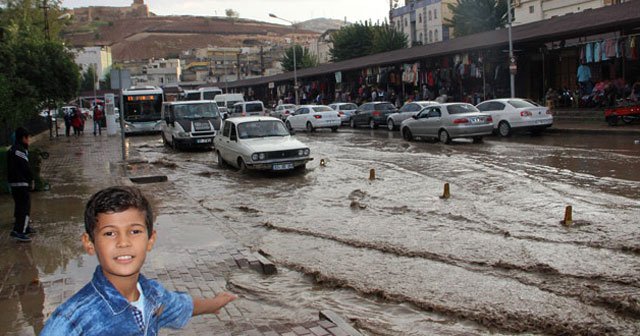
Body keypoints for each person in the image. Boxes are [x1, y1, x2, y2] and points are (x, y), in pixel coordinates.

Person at [40, 186, 237, 335]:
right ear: (90, 243)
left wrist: (215, 304)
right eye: (109, 233)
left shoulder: (153, 297)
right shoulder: (72, 322)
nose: (123, 242)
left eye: (134, 231)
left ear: (150, 240)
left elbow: (182, 306)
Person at [7, 127, 35, 242]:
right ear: (23, 138)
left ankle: (24, 227)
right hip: (21, 183)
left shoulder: (12, 150)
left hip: (14, 183)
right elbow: (26, 168)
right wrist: (31, 179)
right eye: (28, 138)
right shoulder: (19, 151)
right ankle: (20, 231)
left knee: (20, 206)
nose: (29, 140)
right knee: (24, 207)